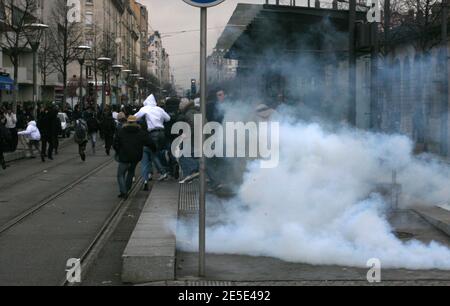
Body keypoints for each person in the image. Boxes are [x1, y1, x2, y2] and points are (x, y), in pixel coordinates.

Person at [134, 94, 171, 182]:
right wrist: (160, 120)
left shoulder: (145, 108)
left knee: (153, 153)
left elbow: (135, 117)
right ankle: (164, 169)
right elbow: (168, 118)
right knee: (158, 152)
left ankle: (162, 172)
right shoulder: (159, 109)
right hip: (162, 133)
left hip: (153, 133)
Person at [113, 115, 151, 199]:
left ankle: (123, 191)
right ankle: (126, 189)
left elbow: (115, 143)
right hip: (135, 157)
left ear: (127, 122)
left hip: (124, 156)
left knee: (120, 175)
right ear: (135, 122)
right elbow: (148, 141)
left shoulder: (121, 131)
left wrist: (118, 151)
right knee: (131, 172)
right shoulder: (140, 132)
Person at [176, 98, 200, 184]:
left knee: (183, 155)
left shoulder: (189, 113)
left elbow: (193, 125)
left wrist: (187, 135)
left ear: (183, 105)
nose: (179, 105)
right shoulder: (193, 111)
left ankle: (193, 171)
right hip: (199, 136)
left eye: (180, 103)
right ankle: (190, 174)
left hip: (195, 137)